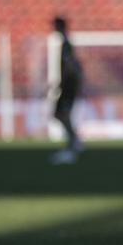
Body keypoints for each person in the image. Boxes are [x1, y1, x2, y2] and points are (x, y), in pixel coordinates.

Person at [50, 15, 83, 165]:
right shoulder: (66, 43)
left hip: (69, 85)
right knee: (61, 114)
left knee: (62, 114)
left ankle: (73, 145)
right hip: (69, 84)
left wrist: (64, 83)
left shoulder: (66, 45)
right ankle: (74, 143)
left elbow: (71, 67)